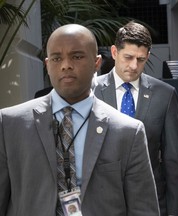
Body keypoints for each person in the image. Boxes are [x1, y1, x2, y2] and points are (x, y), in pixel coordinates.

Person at [0, 24, 160, 216]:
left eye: (76, 56)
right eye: (57, 58)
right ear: (48, 64)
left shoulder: (128, 131)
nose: (66, 65)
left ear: (97, 62)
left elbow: (143, 209)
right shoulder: (10, 124)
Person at [94, 21, 178, 216]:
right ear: (114, 52)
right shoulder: (91, 91)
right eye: (128, 57)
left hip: (151, 203)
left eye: (141, 59)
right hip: (102, 204)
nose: (134, 66)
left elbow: (174, 161)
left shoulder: (165, 94)